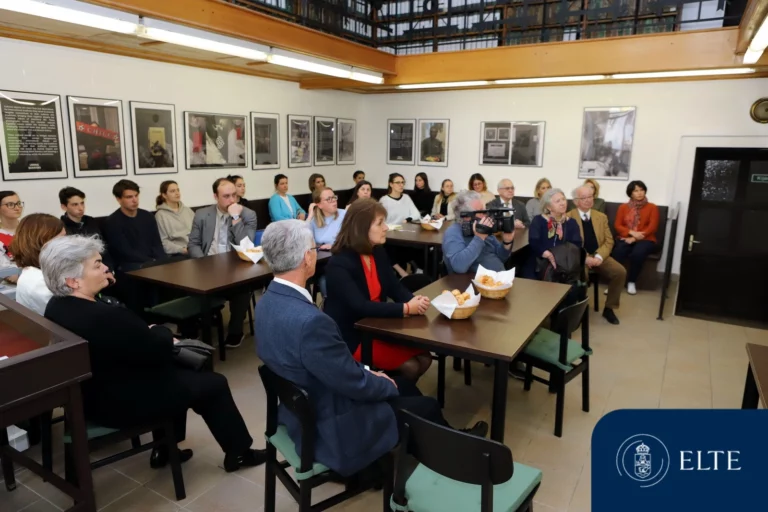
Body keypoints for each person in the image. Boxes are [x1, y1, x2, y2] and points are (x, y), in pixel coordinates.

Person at [255, 220, 486, 477]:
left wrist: (371, 374)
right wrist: (381, 380)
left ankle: (439, 442)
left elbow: (331, 367)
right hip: (329, 422)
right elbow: (353, 383)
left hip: (301, 405)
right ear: (306, 259)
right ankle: (460, 460)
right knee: (425, 406)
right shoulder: (310, 322)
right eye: (313, 249)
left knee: (406, 386)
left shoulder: (266, 302)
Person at [41, 235, 266, 473]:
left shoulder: (55, 307)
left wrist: (144, 333)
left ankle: (166, 448)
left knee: (185, 372)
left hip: (90, 395)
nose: (106, 267)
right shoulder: (103, 317)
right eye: (97, 265)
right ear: (73, 281)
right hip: (119, 403)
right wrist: (159, 331)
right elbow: (156, 350)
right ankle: (239, 453)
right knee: (213, 383)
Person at [324, 199, 432, 381]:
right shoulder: (339, 263)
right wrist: (405, 308)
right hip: (351, 335)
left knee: (425, 357)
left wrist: (415, 301)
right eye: (380, 223)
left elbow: (393, 285)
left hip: (378, 325)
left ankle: (392, 390)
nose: (386, 228)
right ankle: (387, 395)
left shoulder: (377, 251)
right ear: (362, 228)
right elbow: (360, 306)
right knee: (412, 366)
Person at [188, 178, 258, 348]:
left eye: (234, 195)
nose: (232, 200)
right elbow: (193, 244)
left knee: (242, 290)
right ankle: (194, 331)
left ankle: (235, 331)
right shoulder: (202, 214)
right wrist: (203, 263)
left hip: (236, 268)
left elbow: (246, 245)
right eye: (226, 196)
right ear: (215, 196)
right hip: (207, 267)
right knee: (189, 288)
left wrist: (235, 218)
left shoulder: (248, 215)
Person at [567, 186, 625, 325]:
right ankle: (580, 308)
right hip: (580, 257)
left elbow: (609, 240)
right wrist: (585, 258)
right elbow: (569, 244)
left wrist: (599, 257)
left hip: (600, 255)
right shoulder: (568, 218)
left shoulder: (601, 217)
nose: (588, 200)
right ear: (576, 201)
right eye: (584, 198)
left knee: (620, 272)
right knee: (582, 276)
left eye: (590, 196)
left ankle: (609, 308)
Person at [442, 191, 516, 274]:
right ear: (466, 216)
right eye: (481, 211)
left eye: (485, 210)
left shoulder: (483, 229)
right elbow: (459, 267)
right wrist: (479, 238)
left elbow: (501, 258)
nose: (485, 215)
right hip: (470, 283)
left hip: (497, 281)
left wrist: (507, 242)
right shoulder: (453, 232)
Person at [102, 180, 165, 272]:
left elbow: (157, 243)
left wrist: (160, 260)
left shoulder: (148, 216)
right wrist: (151, 261)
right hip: (129, 265)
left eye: (136, 196)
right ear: (118, 199)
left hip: (152, 262)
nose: (134, 200)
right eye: (129, 197)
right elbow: (124, 252)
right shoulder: (112, 222)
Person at [612, 180, 659, 295]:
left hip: (646, 238)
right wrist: (631, 232)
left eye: (641, 190)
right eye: (636, 190)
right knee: (618, 252)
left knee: (638, 253)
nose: (639, 193)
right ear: (630, 193)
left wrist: (635, 238)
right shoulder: (623, 207)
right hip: (626, 236)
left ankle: (631, 281)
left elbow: (652, 227)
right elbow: (617, 225)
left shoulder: (652, 207)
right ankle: (614, 283)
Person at [12, 214, 66, 315]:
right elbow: (72, 313)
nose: (67, 244)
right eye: (61, 239)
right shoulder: (39, 282)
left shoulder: (37, 272)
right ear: (41, 242)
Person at [526, 188, 582, 279]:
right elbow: (534, 241)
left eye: (563, 199)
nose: (562, 203)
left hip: (565, 263)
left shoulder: (571, 223)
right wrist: (547, 254)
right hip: (541, 260)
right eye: (558, 201)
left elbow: (577, 244)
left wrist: (559, 257)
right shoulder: (538, 220)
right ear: (548, 207)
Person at [59, 187, 114, 271]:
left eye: (82, 203)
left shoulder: (91, 221)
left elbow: (104, 248)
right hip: (79, 271)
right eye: (75, 204)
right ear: (64, 207)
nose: (81, 208)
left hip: (101, 267)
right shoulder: (61, 227)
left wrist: (109, 270)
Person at [379, 173, 422, 276]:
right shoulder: (384, 200)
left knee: (420, 248)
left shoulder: (406, 197)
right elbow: (381, 221)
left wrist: (408, 219)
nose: (401, 185)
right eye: (397, 182)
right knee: (387, 250)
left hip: (405, 233)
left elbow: (416, 214)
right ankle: (402, 272)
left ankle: (418, 270)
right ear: (391, 184)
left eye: (402, 182)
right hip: (391, 235)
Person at [155, 181, 194, 256]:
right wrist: (183, 250)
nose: (177, 193)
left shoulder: (187, 210)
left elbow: (199, 230)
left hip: (194, 248)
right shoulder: (160, 215)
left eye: (178, 190)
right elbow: (164, 242)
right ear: (164, 195)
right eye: (173, 191)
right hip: (178, 253)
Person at [0, 191, 23, 282]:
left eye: (18, 203)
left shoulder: (31, 229)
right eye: (10, 204)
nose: (17, 208)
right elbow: (6, 272)